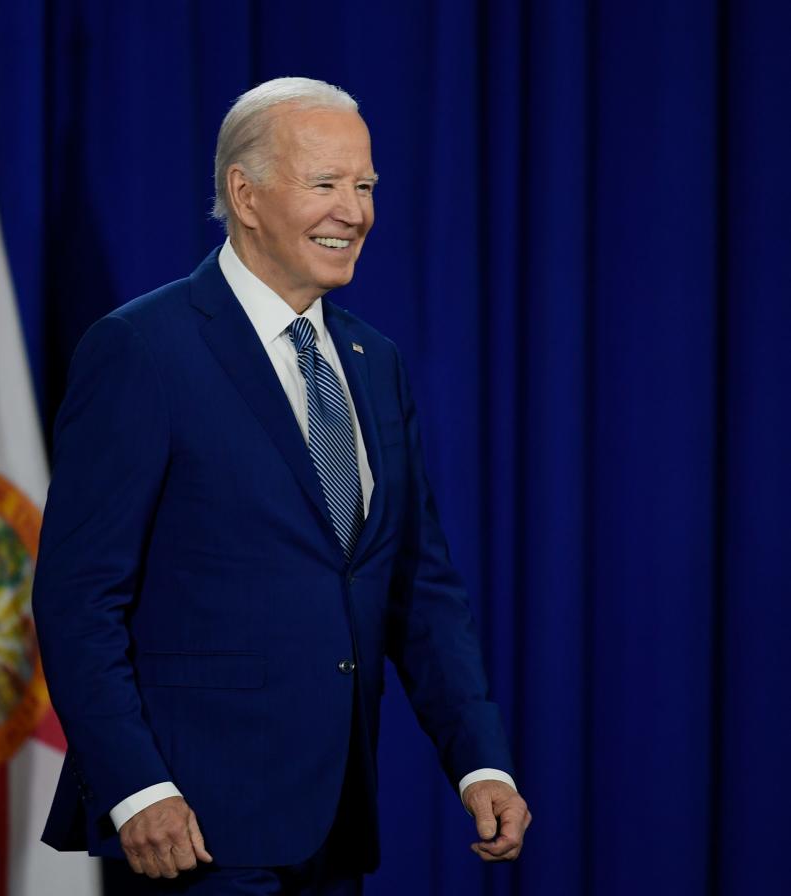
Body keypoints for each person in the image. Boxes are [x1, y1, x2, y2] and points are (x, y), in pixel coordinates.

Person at [32, 77, 531, 893]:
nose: (354, 210)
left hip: (335, 824)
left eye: (365, 186)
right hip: (192, 828)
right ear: (246, 195)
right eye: (325, 184)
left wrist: (481, 763)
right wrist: (135, 789)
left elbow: (420, 588)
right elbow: (77, 598)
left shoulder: (374, 363)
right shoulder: (142, 351)